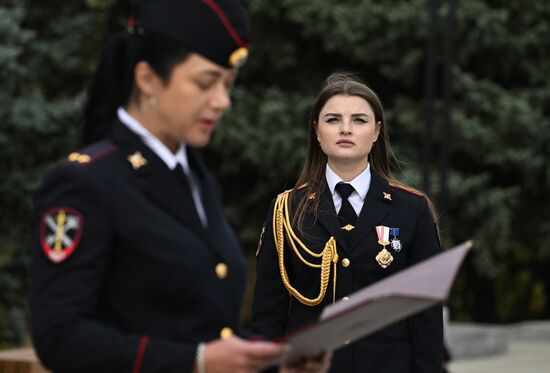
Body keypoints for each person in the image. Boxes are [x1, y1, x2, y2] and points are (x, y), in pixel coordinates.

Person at [30, 1, 329, 372]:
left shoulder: (195, 178)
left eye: (228, 84)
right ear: (148, 79)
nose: (222, 101)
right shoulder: (86, 182)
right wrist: (197, 362)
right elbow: (60, 335)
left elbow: (200, 327)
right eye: (206, 82)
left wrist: (275, 363)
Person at [251, 72, 444, 372]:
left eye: (359, 120)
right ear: (316, 131)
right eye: (332, 119)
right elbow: (268, 315)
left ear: (377, 130)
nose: (345, 129)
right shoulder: (286, 210)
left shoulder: (412, 209)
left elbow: (426, 315)